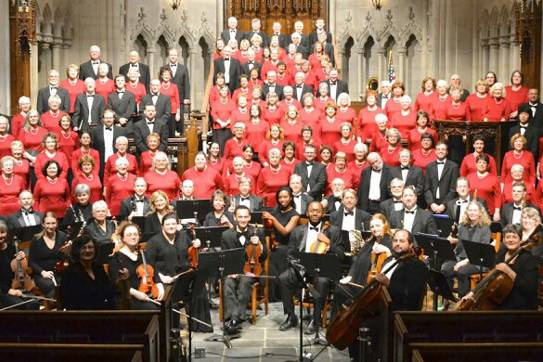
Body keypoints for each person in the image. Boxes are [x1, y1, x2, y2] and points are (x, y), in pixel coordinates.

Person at [344, 229, 428, 361]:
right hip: (380, 307)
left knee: (364, 326)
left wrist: (389, 284)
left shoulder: (417, 266)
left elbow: (412, 295)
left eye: (402, 241)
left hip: (397, 313)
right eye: (395, 240)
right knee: (353, 321)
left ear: (411, 245)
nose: (397, 244)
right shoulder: (389, 259)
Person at [278, 201, 343, 333]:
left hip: (323, 270)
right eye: (312, 211)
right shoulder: (298, 231)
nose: (315, 213)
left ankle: (316, 320)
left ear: (323, 213)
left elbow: (341, 255)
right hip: (302, 268)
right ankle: (291, 316)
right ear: (307, 213)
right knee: (283, 278)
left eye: (318, 211)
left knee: (322, 281)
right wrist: (299, 265)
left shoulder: (333, 231)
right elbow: (290, 253)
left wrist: (329, 244)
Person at [463, 224, 539, 310]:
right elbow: (491, 276)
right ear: (503, 239)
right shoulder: (502, 253)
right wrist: (473, 292)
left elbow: (530, 288)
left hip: (520, 303)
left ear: (520, 240)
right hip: (500, 298)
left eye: (514, 237)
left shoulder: (528, 259)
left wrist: (508, 271)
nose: (511, 240)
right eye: (508, 237)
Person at [221, 205, 268, 333]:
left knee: (244, 283)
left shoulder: (258, 232)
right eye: (240, 217)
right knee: (228, 283)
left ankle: (234, 319)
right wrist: (231, 271)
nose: (243, 219)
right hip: (233, 270)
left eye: (245, 216)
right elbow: (224, 257)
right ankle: (232, 318)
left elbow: (264, 257)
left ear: (250, 217)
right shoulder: (226, 235)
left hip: (252, 270)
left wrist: (259, 244)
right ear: (235, 217)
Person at [108, 222, 163, 310]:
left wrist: (160, 286)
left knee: (170, 304)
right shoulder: (116, 258)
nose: (133, 237)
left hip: (148, 293)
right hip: (128, 298)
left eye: (135, 234)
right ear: (122, 238)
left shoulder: (143, 254)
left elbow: (154, 272)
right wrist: (136, 293)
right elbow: (116, 283)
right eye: (129, 235)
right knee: (153, 308)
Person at [442, 201, 492, 297]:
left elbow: (481, 251)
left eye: (475, 210)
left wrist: (464, 262)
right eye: (470, 210)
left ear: (480, 213)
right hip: (461, 257)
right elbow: (460, 243)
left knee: (462, 271)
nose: (472, 213)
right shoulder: (462, 226)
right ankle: (448, 297)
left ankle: (462, 300)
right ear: (467, 212)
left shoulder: (485, 228)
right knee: (445, 269)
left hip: (478, 261)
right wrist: (451, 238)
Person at [261, 187, 300, 300]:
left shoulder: (295, 215)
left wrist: (272, 219)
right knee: (267, 253)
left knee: (276, 254)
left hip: (288, 247)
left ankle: (282, 294)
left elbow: (285, 231)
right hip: (275, 245)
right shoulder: (276, 211)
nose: (282, 200)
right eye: (280, 197)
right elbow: (269, 228)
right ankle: (270, 294)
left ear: (291, 198)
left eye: (285, 197)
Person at [60, 235, 116, 310]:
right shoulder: (70, 272)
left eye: (90, 247)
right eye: (83, 248)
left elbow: (109, 291)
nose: (87, 250)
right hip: (82, 315)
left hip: (101, 312)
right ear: (77, 250)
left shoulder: (98, 268)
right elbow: (69, 301)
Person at [28, 212, 71, 298]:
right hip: (43, 275)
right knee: (52, 286)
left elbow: (65, 259)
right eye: (48, 223)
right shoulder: (36, 239)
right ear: (43, 224)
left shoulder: (62, 236)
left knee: (71, 282)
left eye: (53, 223)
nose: (51, 226)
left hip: (59, 272)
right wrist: (43, 272)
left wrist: (68, 251)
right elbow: (31, 262)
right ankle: (57, 307)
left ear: (57, 223)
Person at [0, 220, 40, 310]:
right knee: (27, 305)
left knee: (34, 303)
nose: (0, 235)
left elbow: (20, 270)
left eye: (2, 232)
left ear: (6, 233)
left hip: (18, 286)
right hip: (3, 291)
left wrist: (22, 260)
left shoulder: (13, 249)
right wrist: (9, 290)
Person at [424, 141, 459, 214]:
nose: (440, 151)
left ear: (447, 152)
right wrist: (431, 204)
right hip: (432, 206)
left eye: (443, 149)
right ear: (435, 152)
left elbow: (453, 189)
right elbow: (426, 188)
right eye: (438, 149)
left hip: (447, 205)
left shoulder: (454, 167)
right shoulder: (429, 167)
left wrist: (444, 205)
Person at [90, 110, 127, 178]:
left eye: (110, 118)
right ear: (103, 119)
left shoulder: (122, 131)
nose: (108, 120)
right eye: (106, 118)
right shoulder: (95, 131)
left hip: (117, 162)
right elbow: (93, 148)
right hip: (101, 162)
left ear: (114, 119)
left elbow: (125, 148)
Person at [466, 154, 502, 221]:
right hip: (472, 212)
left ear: (487, 165)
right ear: (476, 164)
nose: (481, 165)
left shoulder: (494, 179)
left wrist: (497, 212)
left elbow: (498, 196)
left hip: (488, 212)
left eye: (484, 163)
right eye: (479, 162)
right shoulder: (469, 177)